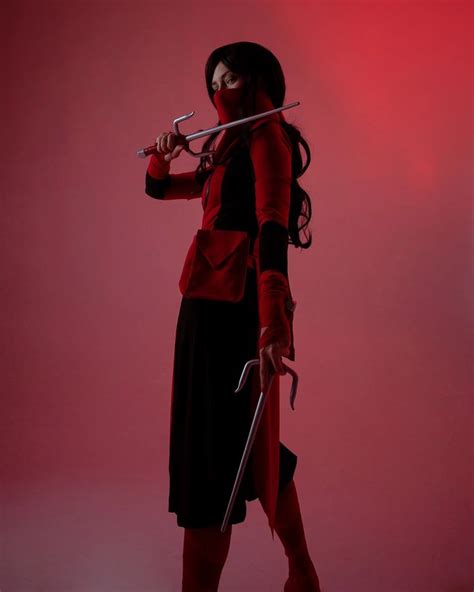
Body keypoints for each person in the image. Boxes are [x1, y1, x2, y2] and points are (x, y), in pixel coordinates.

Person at [144, 41, 321, 592]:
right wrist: (162, 154)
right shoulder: (224, 143)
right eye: (214, 81)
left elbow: (272, 231)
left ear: (260, 81)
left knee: (213, 452)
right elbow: (159, 190)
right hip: (201, 304)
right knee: (232, 439)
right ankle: (303, 572)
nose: (221, 90)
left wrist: (273, 324)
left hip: (238, 311)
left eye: (233, 79)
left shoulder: (269, 139)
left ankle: (285, 573)